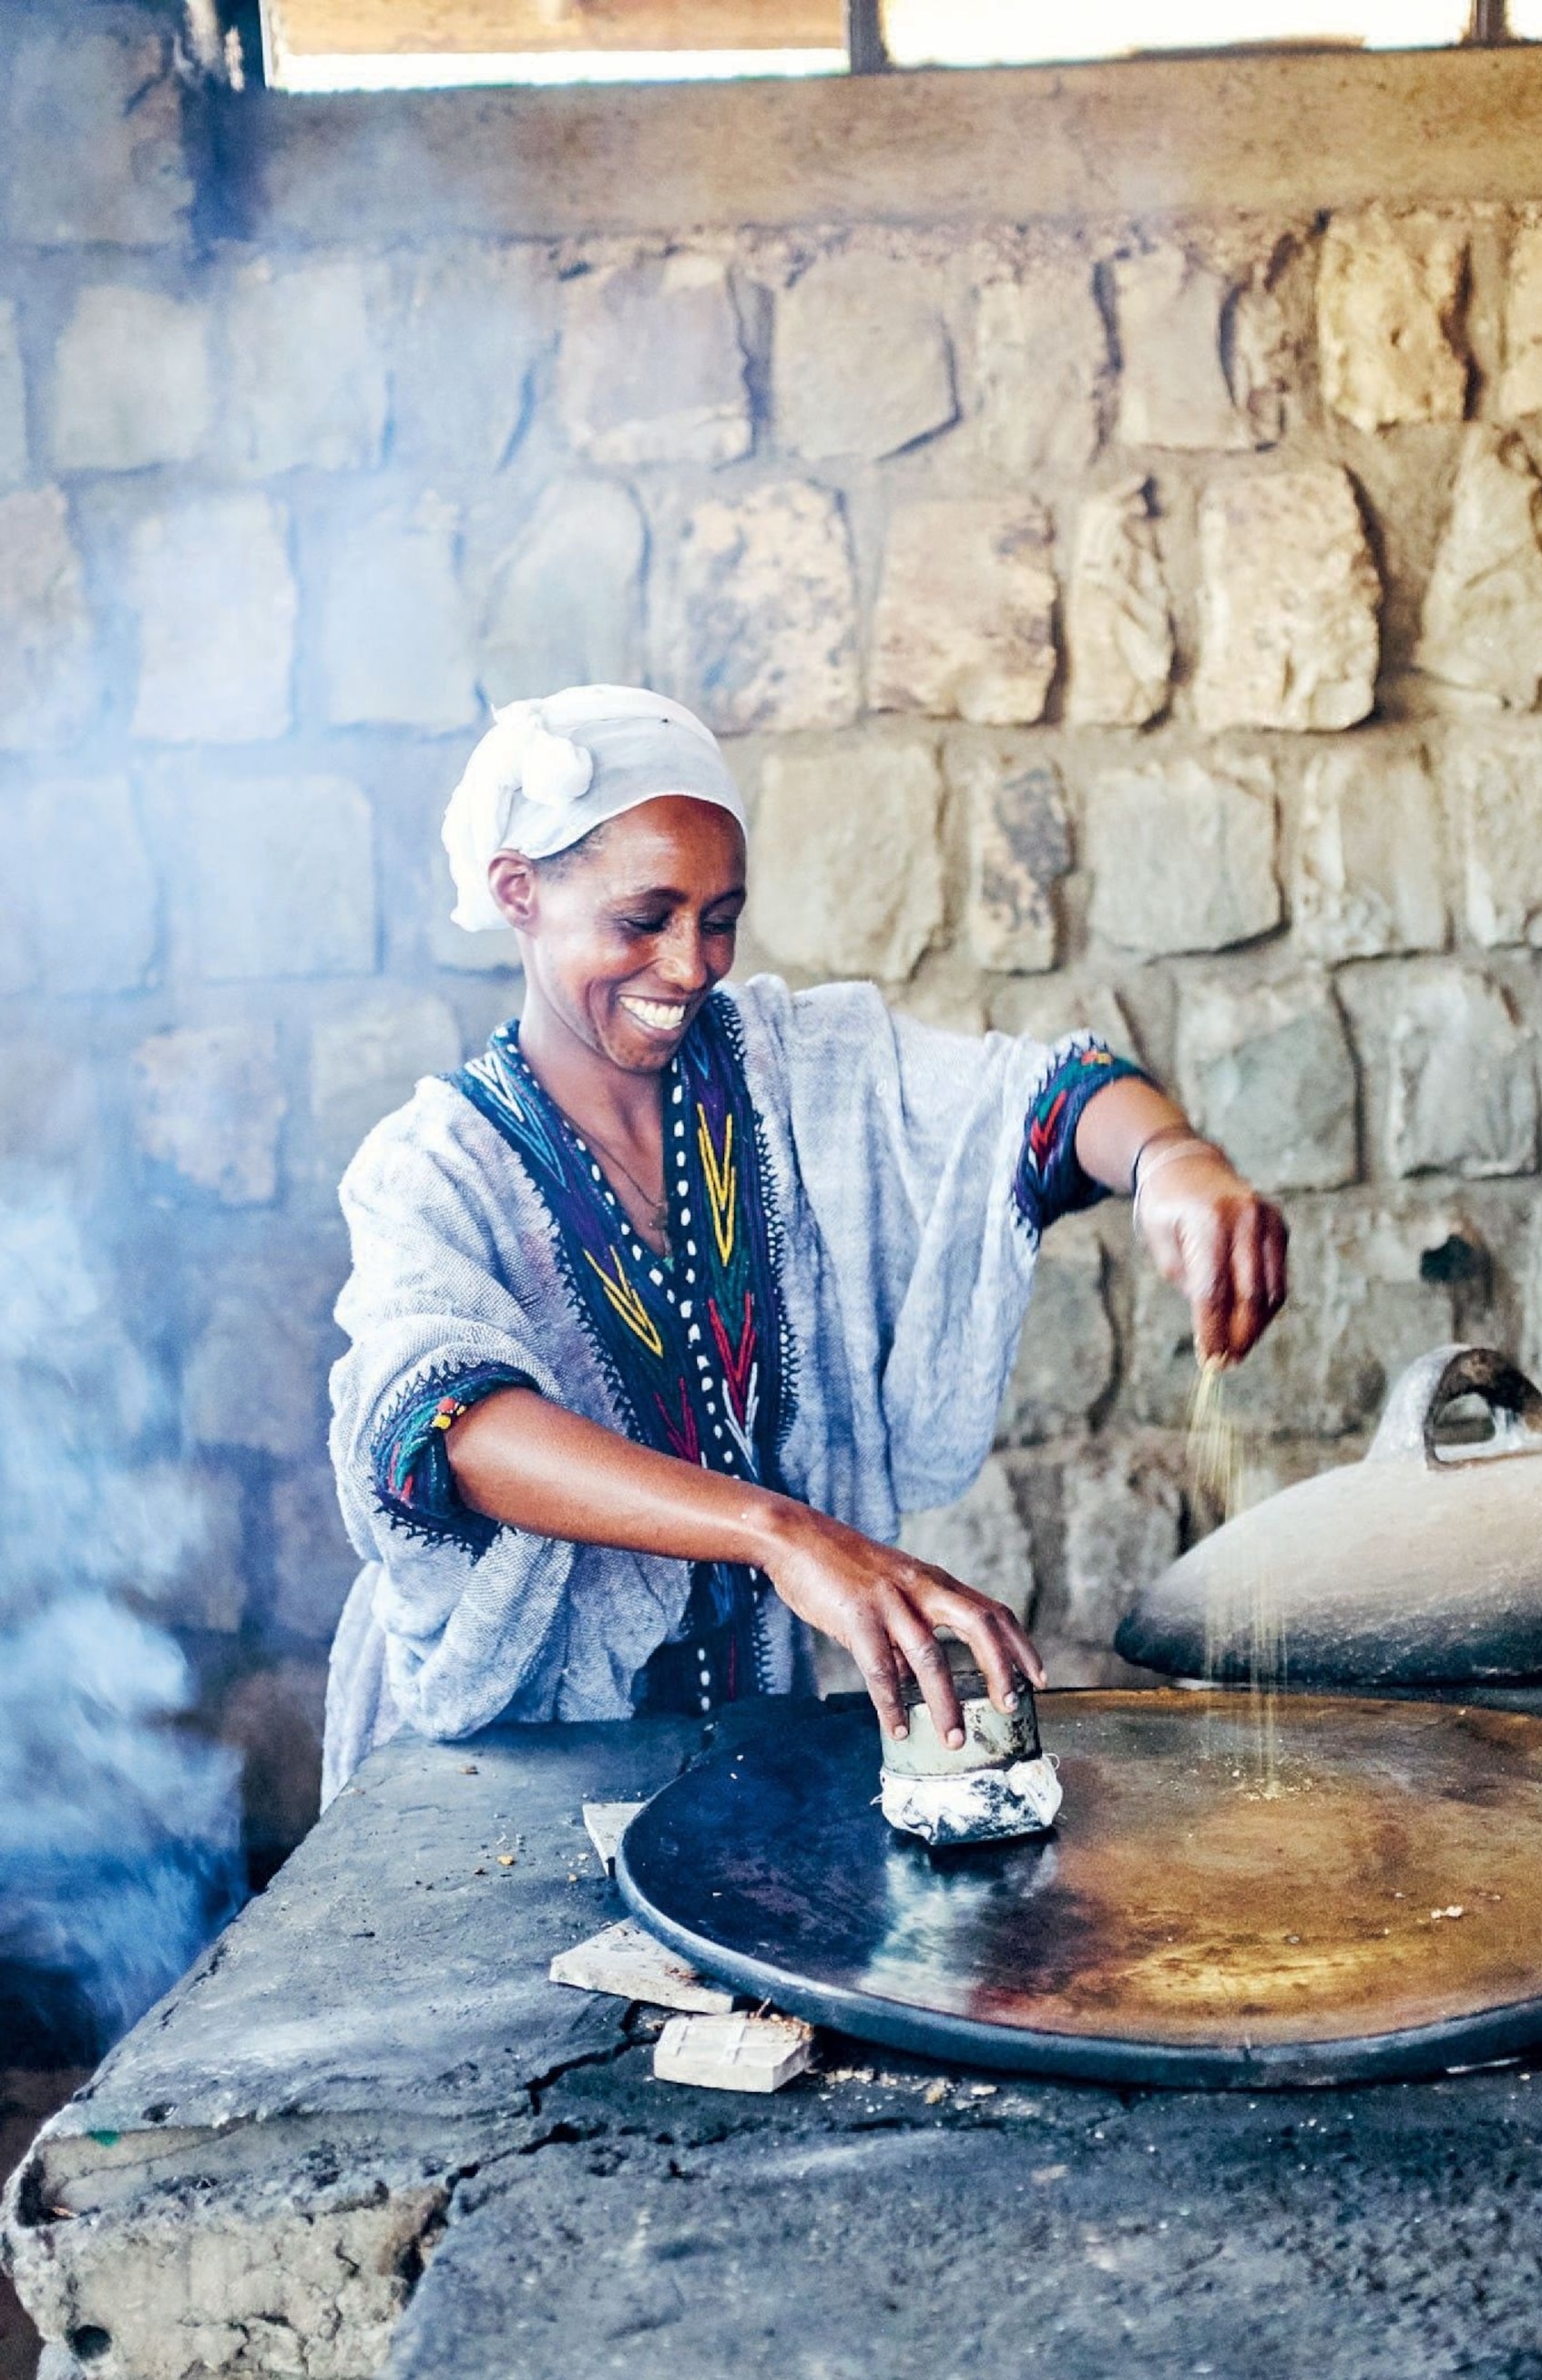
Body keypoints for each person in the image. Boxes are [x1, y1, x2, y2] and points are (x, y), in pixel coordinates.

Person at [321, 686, 1288, 1802]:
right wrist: (778, 1533)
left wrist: (1170, 1159)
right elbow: (442, 1426)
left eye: (718, 918)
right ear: (516, 892)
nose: (691, 965)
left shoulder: (796, 1069)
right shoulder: (434, 1166)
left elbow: (1042, 1099)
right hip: (491, 1765)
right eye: (643, 919)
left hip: (740, 1735)